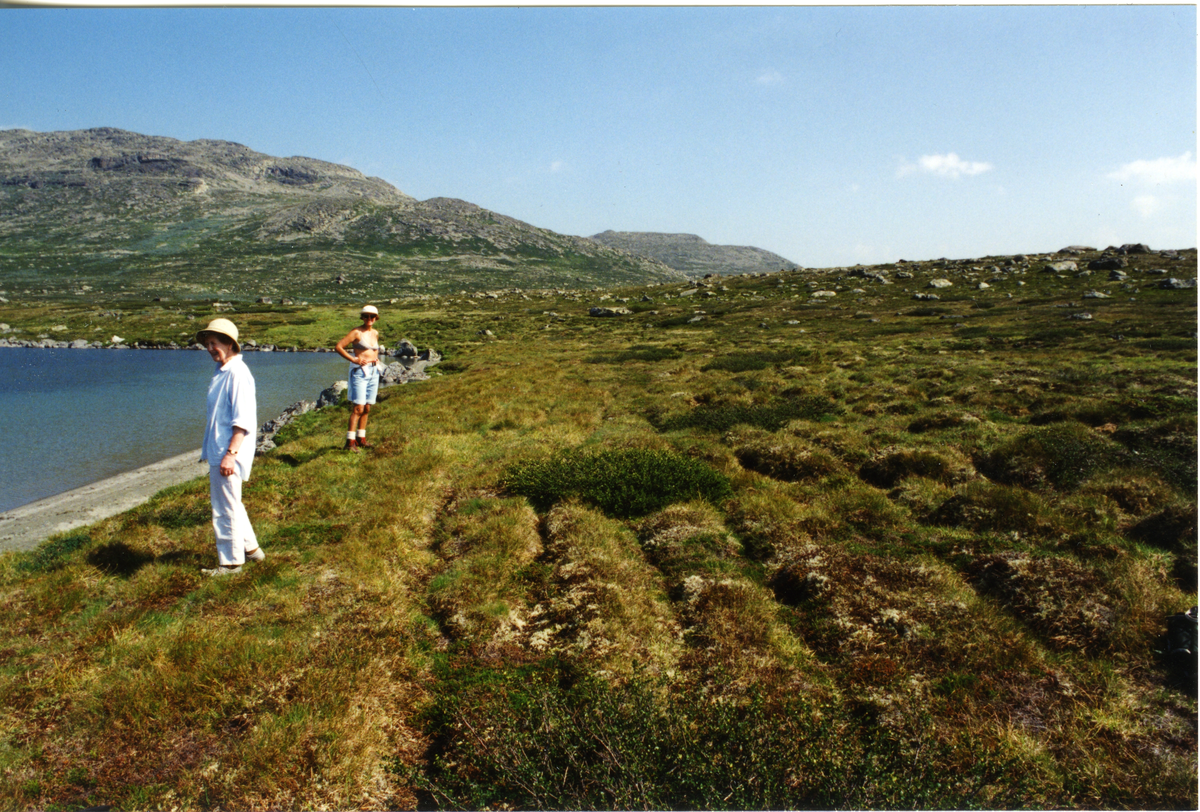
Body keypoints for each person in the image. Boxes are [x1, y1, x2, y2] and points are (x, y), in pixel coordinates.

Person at [196, 318, 264, 576]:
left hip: (229, 451)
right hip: (221, 449)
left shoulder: (237, 373)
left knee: (223, 508)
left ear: (230, 343)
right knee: (231, 502)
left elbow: (243, 419)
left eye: (214, 342)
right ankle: (252, 551)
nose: (210, 348)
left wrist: (230, 455)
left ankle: (231, 563)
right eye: (207, 344)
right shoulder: (223, 370)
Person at [334, 304, 382, 451]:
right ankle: (350, 442)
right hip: (361, 372)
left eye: (372, 316)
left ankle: (361, 439)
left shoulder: (375, 333)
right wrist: (354, 359)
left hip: (374, 372)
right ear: (362, 317)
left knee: (367, 408)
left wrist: (377, 359)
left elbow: (374, 351)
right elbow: (339, 346)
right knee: (358, 408)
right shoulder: (356, 332)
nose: (369, 319)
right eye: (366, 316)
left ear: (376, 318)